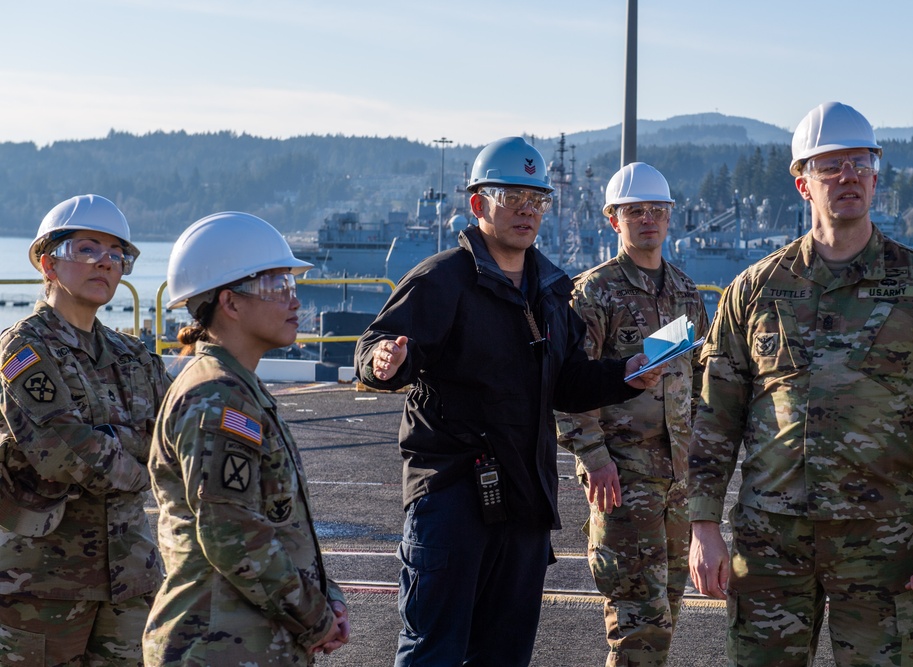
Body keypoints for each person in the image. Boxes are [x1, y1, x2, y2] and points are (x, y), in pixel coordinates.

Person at [687, 101, 913, 667]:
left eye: (860, 162)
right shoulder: (754, 290)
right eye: (830, 166)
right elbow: (714, 419)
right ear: (802, 182)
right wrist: (703, 526)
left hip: (880, 546)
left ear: (876, 175)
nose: (847, 175)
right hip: (770, 541)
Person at [354, 136, 664, 667]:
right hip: (451, 497)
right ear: (478, 204)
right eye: (511, 196)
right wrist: (386, 362)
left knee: (506, 654)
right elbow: (376, 348)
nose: (527, 210)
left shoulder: (549, 290)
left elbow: (566, 382)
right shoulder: (442, 279)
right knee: (435, 651)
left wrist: (623, 376)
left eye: (537, 200)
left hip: (524, 500)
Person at [142, 212, 350, 665]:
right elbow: (230, 530)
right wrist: (315, 616)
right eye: (277, 287)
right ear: (230, 303)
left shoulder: (237, 386)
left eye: (291, 287)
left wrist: (326, 597)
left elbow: (278, 521)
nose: (295, 301)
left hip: (247, 641)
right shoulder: (217, 396)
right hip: (217, 645)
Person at [0, 194, 169, 665]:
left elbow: (177, 439)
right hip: (42, 584)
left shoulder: (133, 356)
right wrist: (142, 466)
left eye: (117, 254)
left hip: (130, 580)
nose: (106, 263)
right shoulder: (23, 350)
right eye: (88, 249)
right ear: (48, 262)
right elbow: (63, 451)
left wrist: (117, 445)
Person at [556, 162, 709, 666]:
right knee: (638, 626)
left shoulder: (686, 293)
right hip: (623, 479)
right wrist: (595, 458)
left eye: (657, 211)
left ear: (670, 218)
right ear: (612, 219)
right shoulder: (593, 293)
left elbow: (699, 385)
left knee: (665, 612)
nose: (648, 220)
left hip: (677, 483)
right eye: (635, 211)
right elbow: (568, 385)